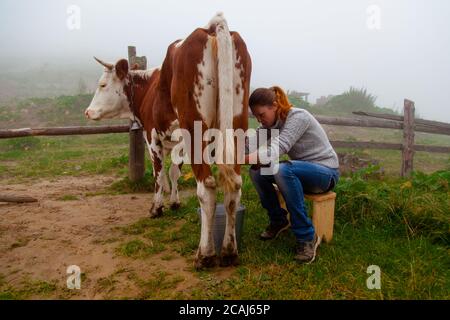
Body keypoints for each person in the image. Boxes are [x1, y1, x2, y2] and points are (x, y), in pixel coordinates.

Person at [244, 86, 339, 264]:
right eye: (256, 116)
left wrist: (245, 158)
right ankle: (278, 220)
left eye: (261, 114)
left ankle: (306, 237)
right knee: (257, 172)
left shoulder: (298, 117)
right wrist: (226, 153)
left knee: (281, 169)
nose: (259, 120)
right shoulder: (270, 125)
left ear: (274, 106)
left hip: (325, 173)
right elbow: (248, 147)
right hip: (301, 172)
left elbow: (280, 147)